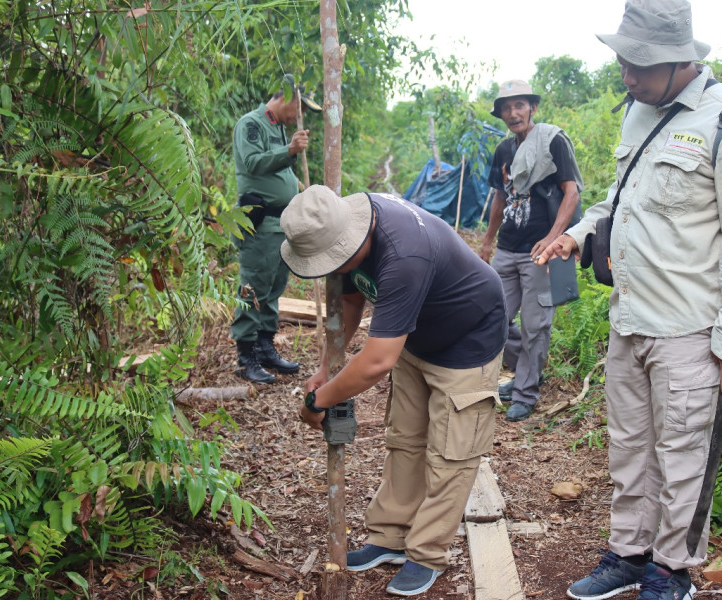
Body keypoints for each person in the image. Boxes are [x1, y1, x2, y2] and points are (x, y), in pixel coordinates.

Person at [536, 1, 722, 599]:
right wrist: (578, 233)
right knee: (630, 448)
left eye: (640, 65)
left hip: (690, 327)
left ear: (680, 61)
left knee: (683, 454)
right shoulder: (638, 114)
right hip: (630, 318)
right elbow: (618, 199)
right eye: (623, 61)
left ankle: (673, 570)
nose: (627, 75)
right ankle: (628, 553)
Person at [280, 186, 507, 597]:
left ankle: (426, 553)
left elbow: (377, 362)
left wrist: (319, 399)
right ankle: (390, 536)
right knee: (405, 438)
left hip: (467, 338)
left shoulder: (404, 257)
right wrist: (324, 370)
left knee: (450, 453)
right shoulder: (343, 228)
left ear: (354, 238)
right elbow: (350, 301)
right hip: (413, 337)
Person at [482, 79, 583, 422]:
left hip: (541, 250)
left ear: (533, 108)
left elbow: (572, 193)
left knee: (536, 323)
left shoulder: (552, 141)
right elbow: (500, 197)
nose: (514, 113)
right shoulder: (503, 151)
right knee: (491, 315)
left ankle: (525, 392)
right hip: (508, 249)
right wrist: (487, 240)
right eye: (507, 108)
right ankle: (527, 371)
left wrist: (555, 237)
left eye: (520, 106)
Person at [230, 85, 322, 384]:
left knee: (273, 288)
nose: (301, 116)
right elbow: (253, 164)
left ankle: (265, 346)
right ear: (285, 98)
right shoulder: (251, 124)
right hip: (259, 223)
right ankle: (246, 357)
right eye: (301, 108)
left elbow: (279, 172)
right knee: (253, 288)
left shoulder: (278, 127)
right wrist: (290, 150)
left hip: (282, 224)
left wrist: (300, 189)